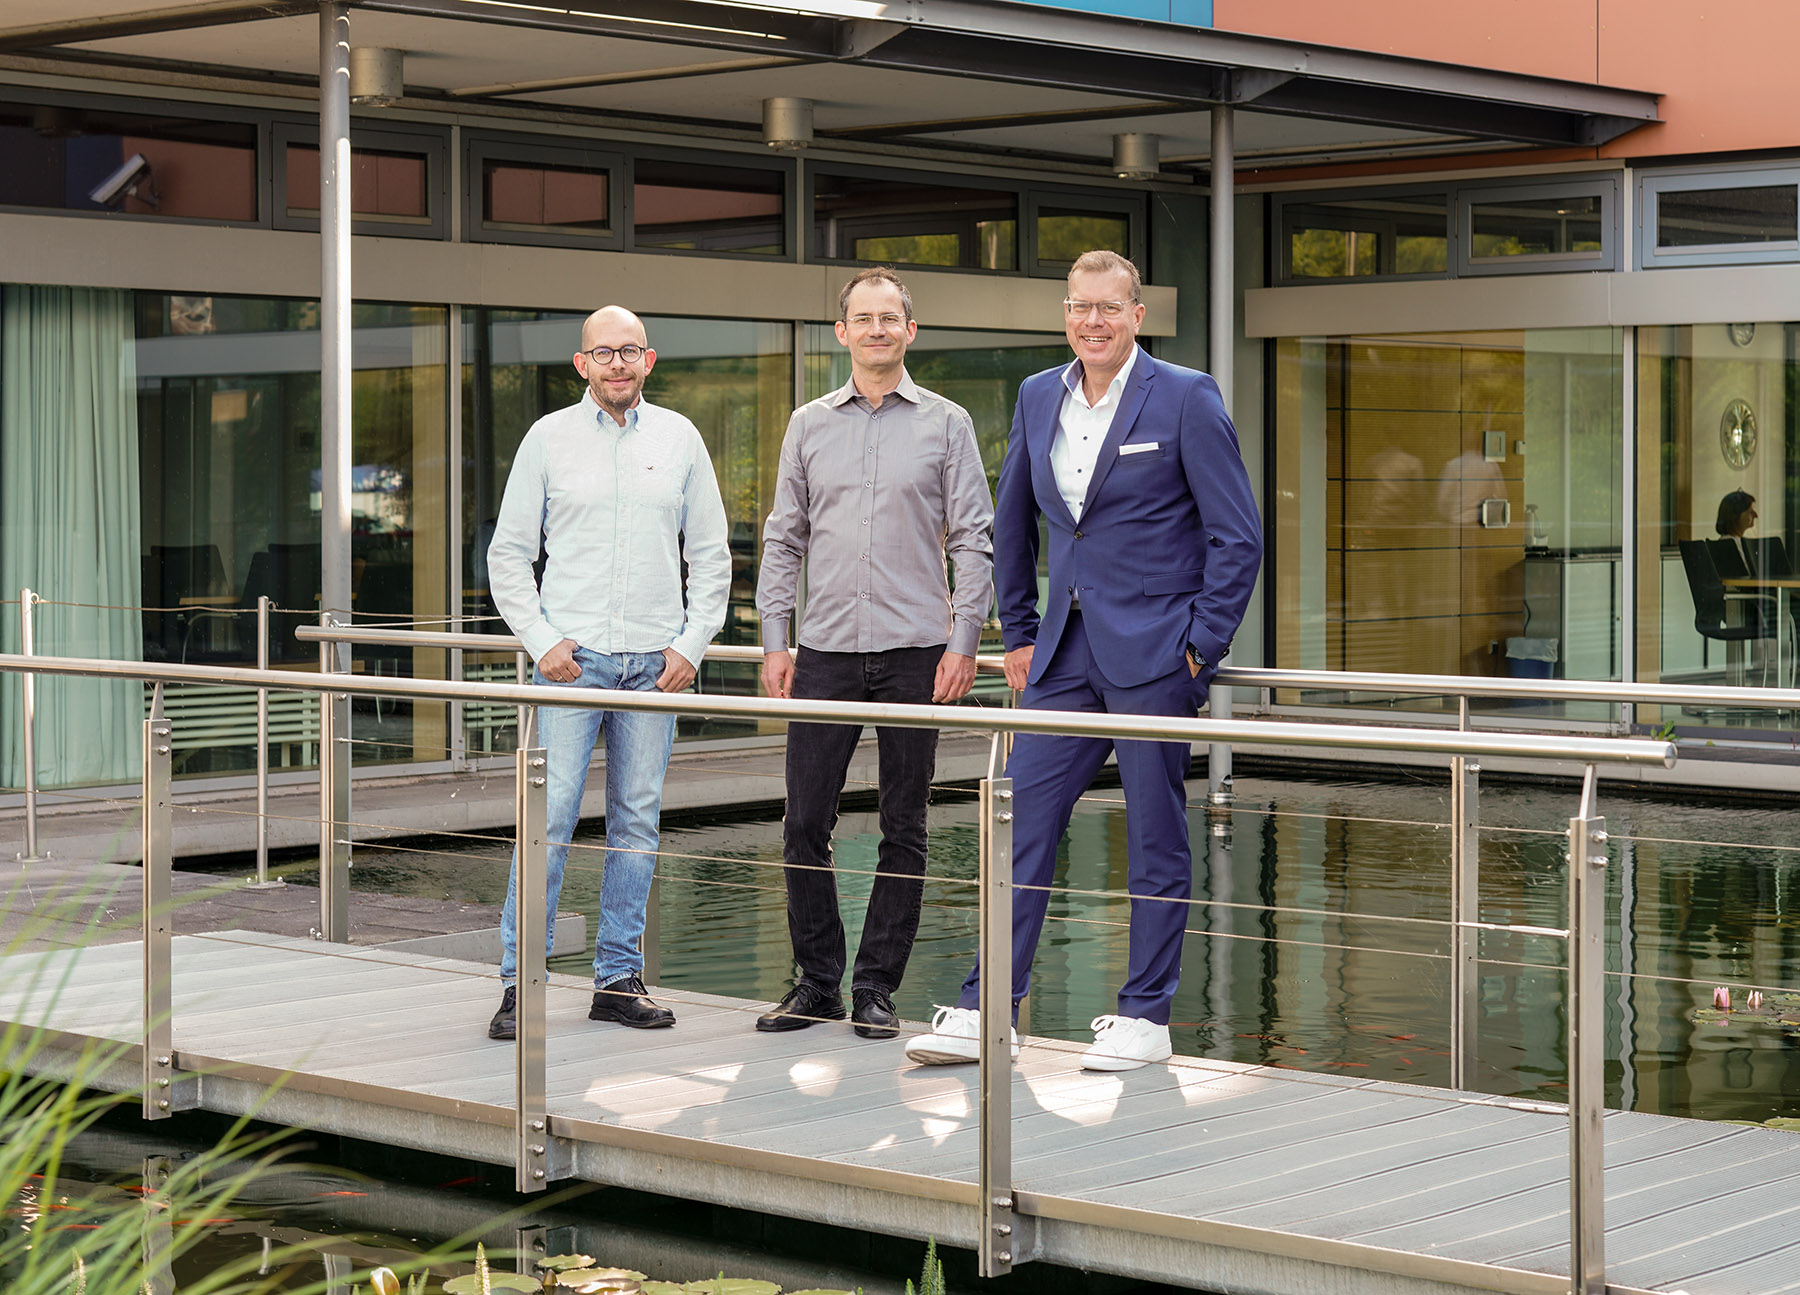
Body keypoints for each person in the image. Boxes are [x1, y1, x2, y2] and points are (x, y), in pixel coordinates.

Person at [905, 250, 1262, 1072]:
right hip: (1060, 656)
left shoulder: (1185, 395)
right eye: (1079, 308)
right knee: (1019, 824)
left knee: (1157, 837)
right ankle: (987, 1004)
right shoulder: (1039, 395)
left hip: (1155, 657)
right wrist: (1020, 632)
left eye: (1109, 308)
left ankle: (1146, 1015)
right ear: (1066, 314)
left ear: (1138, 314)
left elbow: (1235, 534)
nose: (1093, 322)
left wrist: (1201, 646)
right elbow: (1014, 526)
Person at [753, 267, 995, 1041]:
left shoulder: (948, 423)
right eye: (864, 318)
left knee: (906, 826)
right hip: (821, 650)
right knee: (803, 823)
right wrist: (774, 637)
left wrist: (964, 639)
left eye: (890, 318)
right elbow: (784, 536)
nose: (878, 330)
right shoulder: (808, 424)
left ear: (910, 330)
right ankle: (817, 981)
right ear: (843, 331)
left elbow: (973, 539)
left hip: (917, 653)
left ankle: (875, 988)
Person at [484, 306, 730, 1041]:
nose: (617, 364)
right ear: (580, 361)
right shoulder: (547, 439)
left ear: (648, 361)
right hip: (570, 662)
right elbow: (509, 553)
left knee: (636, 824)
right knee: (549, 822)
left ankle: (618, 979)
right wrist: (541, 639)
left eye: (629, 352)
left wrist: (692, 645)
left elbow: (711, 554)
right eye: (603, 352)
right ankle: (518, 982)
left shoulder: (680, 437)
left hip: (655, 665)